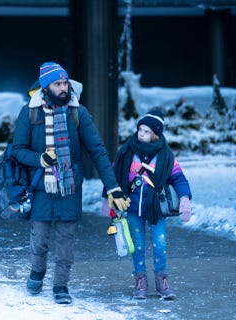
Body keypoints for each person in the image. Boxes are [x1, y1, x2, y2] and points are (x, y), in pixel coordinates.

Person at [11, 62, 130, 304]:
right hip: (41, 187)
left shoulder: (78, 112)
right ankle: (37, 271)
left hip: (70, 186)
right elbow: (17, 151)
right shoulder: (30, 112)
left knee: (66, 238)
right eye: (57, 84)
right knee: (40, 236)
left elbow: (97, 150)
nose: (63, 88)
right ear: (46, 87)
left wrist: (113, 186)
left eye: (65, 83)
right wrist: (39, 159)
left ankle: (61, 285)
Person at [110, 108, 192, 300]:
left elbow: (178, 177)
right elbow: (112, 176)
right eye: (140, 130)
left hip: (156, 210)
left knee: (160, 243)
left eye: (147, 131)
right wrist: (109, 200)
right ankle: (140, 280)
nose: (142, 134)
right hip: (132, 207)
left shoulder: (166, 156)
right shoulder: (127, 152)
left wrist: (185, 198)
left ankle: (162, 281)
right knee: (137, 246)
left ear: (155, 134)